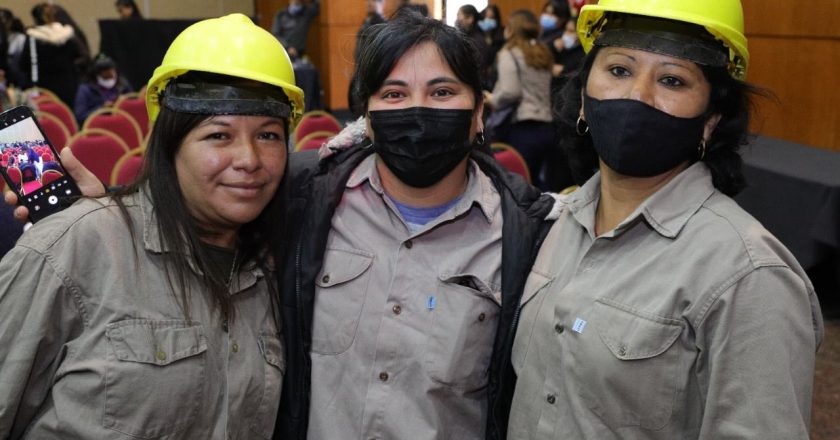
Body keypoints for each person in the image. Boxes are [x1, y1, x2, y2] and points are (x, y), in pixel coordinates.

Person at [506, 0, 824, 438]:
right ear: (583, 97)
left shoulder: (748, 276)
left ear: (710, 122)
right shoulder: (555, 222)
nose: (638, 96)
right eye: (618, 70)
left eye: (672, 80)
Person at [0, 13, 304, 439]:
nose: (249, 159)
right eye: (219, 135)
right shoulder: (72, 251)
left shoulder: (275, 272)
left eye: (269, 135)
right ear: (169, 141)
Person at [275, 9, 555, 440]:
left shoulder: (526, 235)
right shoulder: (303, 199)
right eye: (394, 94)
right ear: (366, 116)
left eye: (442, 92)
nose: (418, 110)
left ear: (479, 111)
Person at [484, 9, 554, 189]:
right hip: (547, 127)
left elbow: (510, 92)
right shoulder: (542, 52)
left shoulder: (509, 53)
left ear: (512, 29)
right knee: (541, 186)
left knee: (520, 189)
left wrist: (492, 99)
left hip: (522, 128)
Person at [73, 54, 133, 124]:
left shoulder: (123, 85)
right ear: (96, 74)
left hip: (123, 124)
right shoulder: (85, 90)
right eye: (105, 74)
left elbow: (135, 107)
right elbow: (79, 116)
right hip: (98, 127)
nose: (109, 75)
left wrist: (125, 103)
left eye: (111, 72)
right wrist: (101, 109)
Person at [456, 5, 492, 73]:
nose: (457, 19)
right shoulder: (465, 37)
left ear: (470, 18)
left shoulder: (477, 40)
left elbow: (479, 67)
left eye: (459, 15)